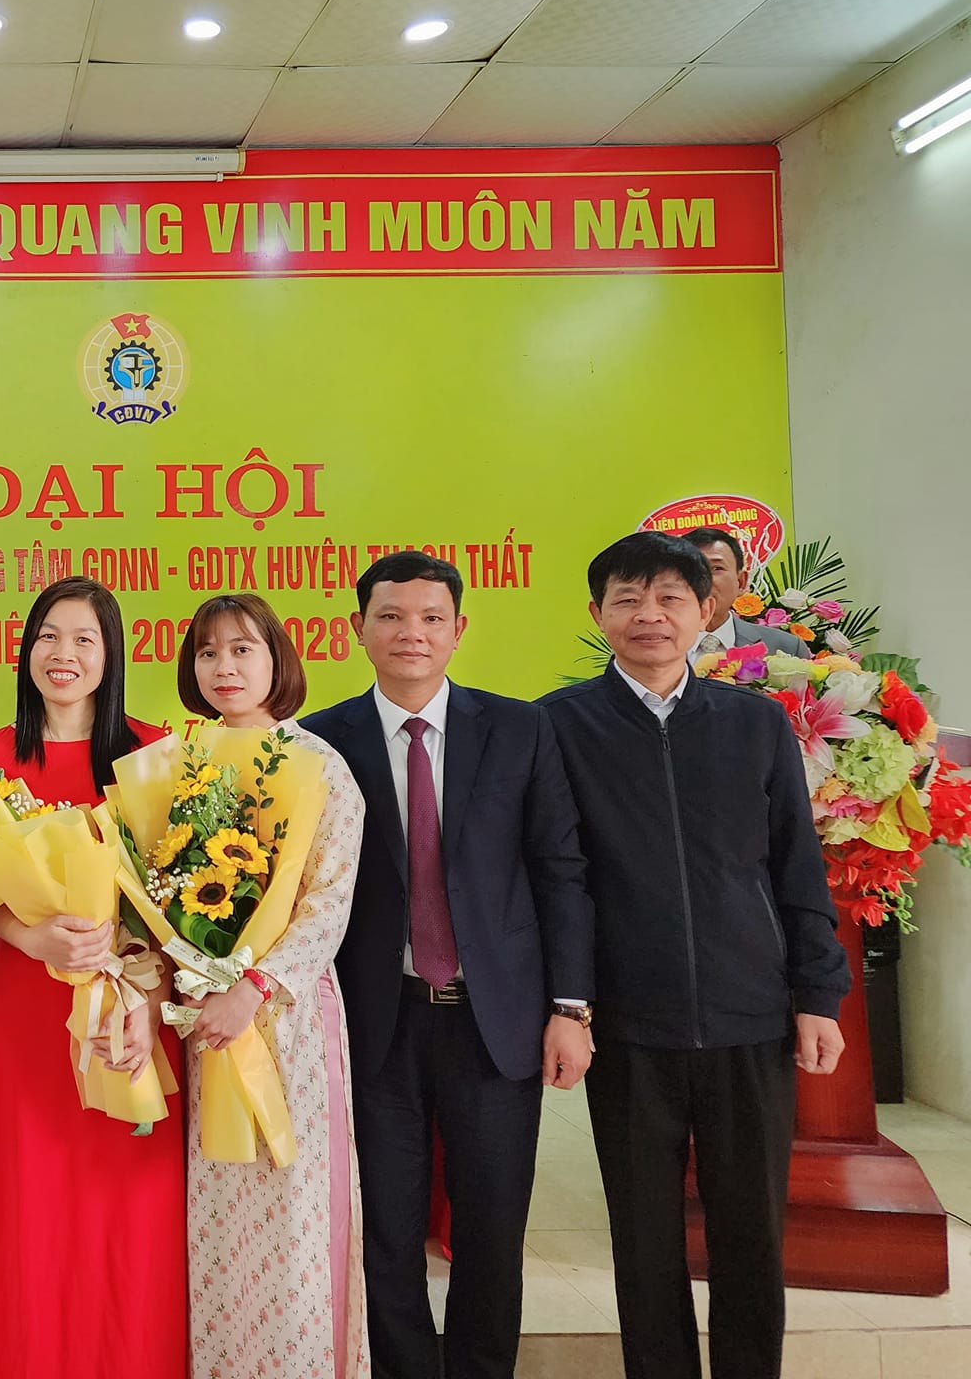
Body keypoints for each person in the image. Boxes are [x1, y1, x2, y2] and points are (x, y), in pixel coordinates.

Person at [539, 531, 849, 1379]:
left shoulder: (755, 723)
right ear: (597, 612)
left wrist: (817, 993)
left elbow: (796, 865)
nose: (650, 615)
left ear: (706, 611)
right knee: (643, 1236)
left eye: (670, 598)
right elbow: (558, 876)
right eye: (628, 598)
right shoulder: (556, 726)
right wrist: (569, 1005)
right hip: (629, 1023)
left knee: (751, 1230)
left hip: (751, 1018)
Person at [303, 552, 594, 1379]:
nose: (413, 633)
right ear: (357, 629)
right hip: (376, 1021)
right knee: (386, 1231)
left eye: (432, 618)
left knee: (492, 1227)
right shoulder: (318, 742)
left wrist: (571, 1007)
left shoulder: (520, 729)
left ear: (459, 630)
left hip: (495, 1020)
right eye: (391, 616)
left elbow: (559, 870)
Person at [0, 575, 184, 1379]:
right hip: (32, 1006)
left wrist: (148, 998)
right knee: (40, 1203)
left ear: (111, 654)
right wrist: (36, 940)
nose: (64, 654)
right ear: (25, 652)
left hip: (133, 1008)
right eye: (48, 637)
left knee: (132, 1207)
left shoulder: (155, 752)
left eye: (84, 639)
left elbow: (183, 898)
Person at [178, 594, 369, 1378]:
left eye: (242, 649)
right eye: (208, 652)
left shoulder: (319, 764)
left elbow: (329, 900)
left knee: (293, 1209)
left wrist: (251, 987)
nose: (224, 667)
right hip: (202, 1021)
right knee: (216, 1209)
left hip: (286, 1019)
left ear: (277, 660)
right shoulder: (180, 762)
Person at [680, 526, 808, 658]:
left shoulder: (786, 647)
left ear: (741, 582)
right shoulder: (664, 646)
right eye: (692, 569)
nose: (702, 579)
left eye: (717, 568)